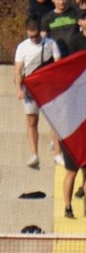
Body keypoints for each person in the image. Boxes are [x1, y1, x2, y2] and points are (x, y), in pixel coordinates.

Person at [14, 16, 61, 169]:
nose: (33, 39)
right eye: (30, 36)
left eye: (35, 36)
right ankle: (34, 154)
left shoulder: (50, 44)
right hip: (30, 89)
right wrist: (18, 89)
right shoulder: (22, 47)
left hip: (49, 88)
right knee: (32, 122)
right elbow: (18, 70)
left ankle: (57, 154)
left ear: (40, 32)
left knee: (54, 121)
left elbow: (59, 64)